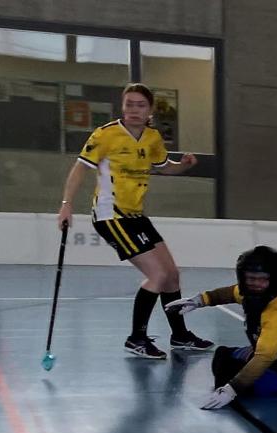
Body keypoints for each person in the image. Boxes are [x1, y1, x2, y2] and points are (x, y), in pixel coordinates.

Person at [56, 82, 211, 359]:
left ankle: (180, 335)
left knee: (172, 274)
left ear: (150, 109)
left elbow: (165, 169)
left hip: (136, 216)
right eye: (129, 104)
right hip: (111, 216)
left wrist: (184, 165)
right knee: (157, 275)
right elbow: (79, 169)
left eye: (140, 105)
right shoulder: (105, 135)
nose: (134, 110)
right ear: (123, 106)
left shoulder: (152, 138)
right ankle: (136, 338)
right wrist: (66, 205)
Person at [165, 246, 277, 410]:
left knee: (232, 374)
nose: (255, 284)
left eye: (262, 279)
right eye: (250, 278)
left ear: (273, 279)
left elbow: (263, 358)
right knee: (222, 356)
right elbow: (228, 293)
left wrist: (231, 390)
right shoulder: (250, 294)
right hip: (276, 357)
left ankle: (248, 388)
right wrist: (197, 301)